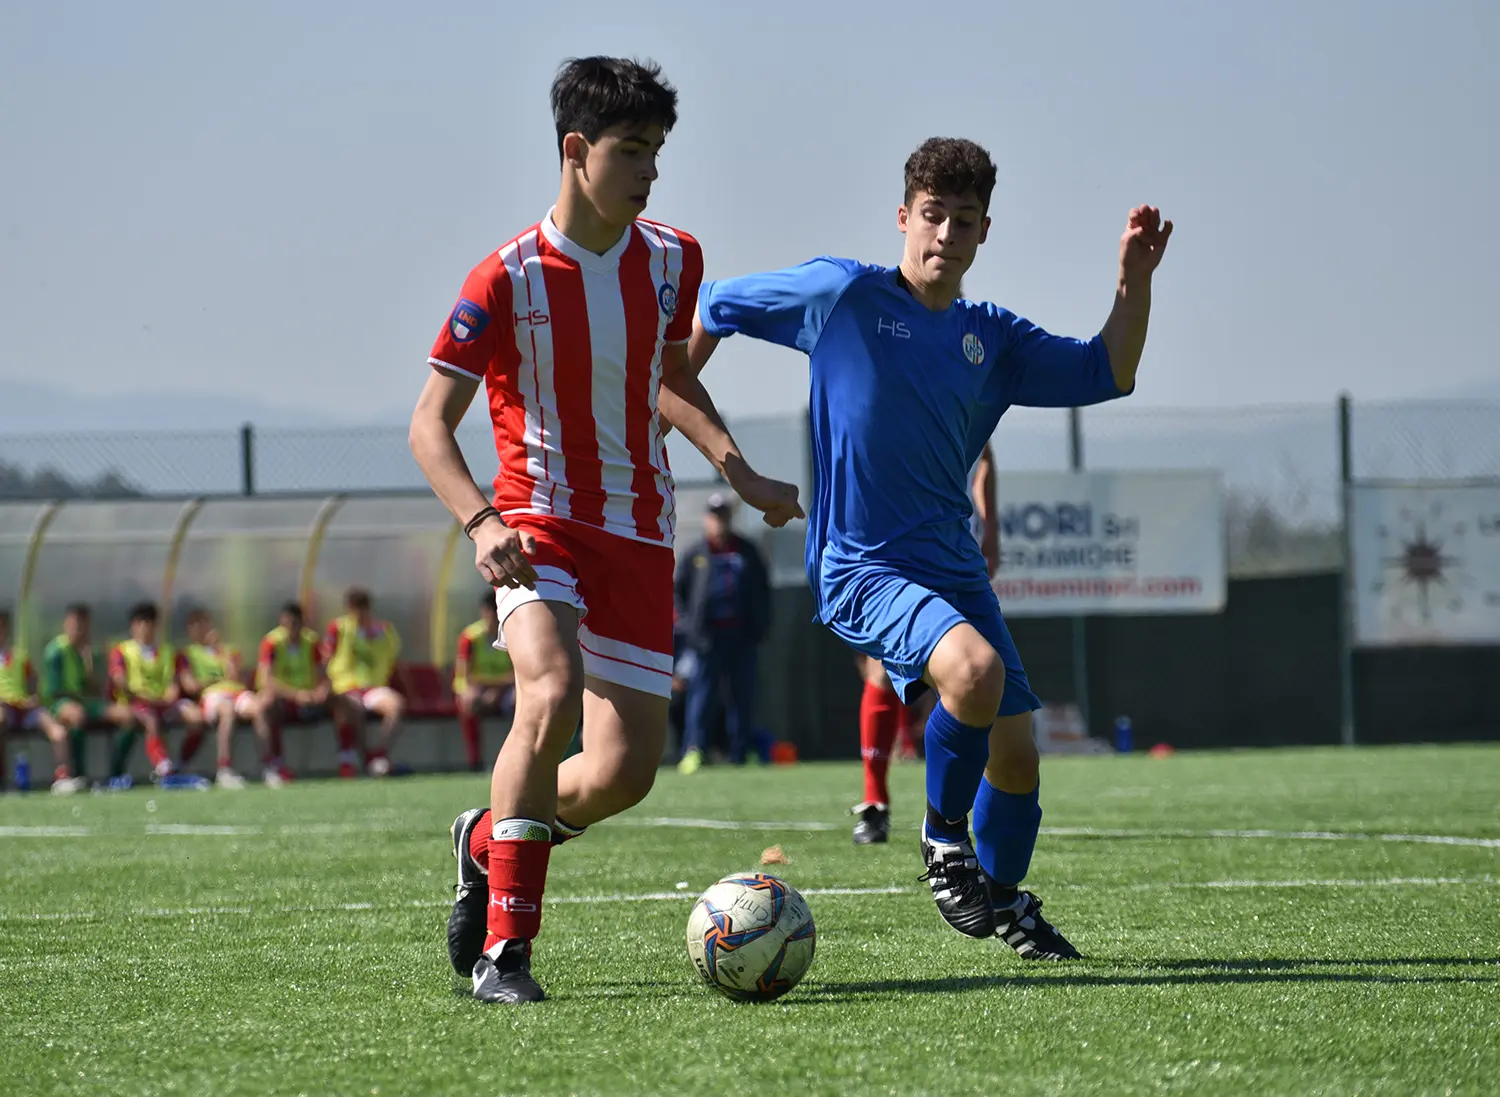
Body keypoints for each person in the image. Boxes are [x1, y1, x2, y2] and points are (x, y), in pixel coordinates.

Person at [690, 136, 1172, 960]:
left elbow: (1108, 370)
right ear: (904, 217)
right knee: (974, 675)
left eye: (966, 220)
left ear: (986, 232)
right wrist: (721, 455)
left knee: (1018, 758)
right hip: (861, 564)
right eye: (933, 215)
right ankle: (943, 838)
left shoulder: (995, 340)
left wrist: (1134, 280)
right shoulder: (841, 294)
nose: (946, 233)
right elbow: (707, 311)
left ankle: (1008, 901)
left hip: (951, 565)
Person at [408, 55, 800, 1005]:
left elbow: (666, 377)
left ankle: (482, 839)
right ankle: (508, 954)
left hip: (638, 533)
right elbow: (430, 425)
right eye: (632, 151)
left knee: (623, 774)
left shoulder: (672, 258)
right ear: (576, 152)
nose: (650, 171)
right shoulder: (503, 278)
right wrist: (478, 519)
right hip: (533, 524)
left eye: (658, 151)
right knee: (546, 694)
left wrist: (733, 464)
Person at [852, 440, 997, 844]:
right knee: (881, 667)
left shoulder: (967, 380)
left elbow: (985, 456)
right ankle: (875, 802)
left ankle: (952, 813)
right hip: (896, 551)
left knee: (971, 676)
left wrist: (992, 528)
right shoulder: (886, 393)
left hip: (956, 555)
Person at [674, 492, 771, 773]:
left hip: (741, 636)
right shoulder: (696, 554)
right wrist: (691, 626)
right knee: (702, 697)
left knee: (743, 696)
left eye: (724, 515)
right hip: (707, 639)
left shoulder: (747, 551)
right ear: (708, 519)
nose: (719, 521)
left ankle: (739, 751)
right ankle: (695, 750)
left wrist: (761, 626)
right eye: (715, 515)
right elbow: (680, 591)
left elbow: (763, 591)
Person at [108, 602, 207, 781]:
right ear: (133, 626)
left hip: (164, 702)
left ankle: (181, 763)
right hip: (136, 703)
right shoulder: (121, 650)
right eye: (140, 623)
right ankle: (163, 766)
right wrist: (141, 696)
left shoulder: (168, 651)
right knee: (150, 719)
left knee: (197, 717)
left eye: (149, 623)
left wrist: (171, 693)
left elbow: (175, 680)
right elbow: (119, 681)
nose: (145, 628)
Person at [178, 608, 274, 789]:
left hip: (237, 693)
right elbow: (190, 685)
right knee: (227, 710)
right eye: (196, 625)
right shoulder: (187, 653)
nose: (202, 629)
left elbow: (237, 677)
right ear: (189, 630)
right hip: (212, 696)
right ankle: (224, 769)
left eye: (204, 623)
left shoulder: (228, 650)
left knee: (259, 709)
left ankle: (267, 767)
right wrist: (215, 679)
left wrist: (220, 652)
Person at [42, 604, 137, 782]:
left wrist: (90, 664)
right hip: (61, 703)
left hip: (87, 702)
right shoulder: (56, 651)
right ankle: (79, 774)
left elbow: (96, 690)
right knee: (77, 715)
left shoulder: (89, 651)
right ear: (66, 625)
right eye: (75, 624)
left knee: (128, 716)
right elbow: (54, 692)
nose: (80, 630)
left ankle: (116, 773)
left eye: (83, 625)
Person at [0, 608, 86, 794]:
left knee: (59, 732)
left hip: (24, 708)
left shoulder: (20, 656)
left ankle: (62, 778)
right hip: (3, 709)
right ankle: (2, 778)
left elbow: (33, 684)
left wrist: (33, 699)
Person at [322, 587, 404, 778]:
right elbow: (325, 658)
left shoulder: (384, 629)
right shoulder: (339, 628)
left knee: (396, 706)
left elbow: (394, 657)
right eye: (355, 608)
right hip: (345, 687)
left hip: (373, 687)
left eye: (363, 608)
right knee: (352, 708)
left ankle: (379, 754)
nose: (359, 613)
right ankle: (352, 758)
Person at [255, 601, 327, 782]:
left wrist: (321, 690)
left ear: (302, 624)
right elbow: (266, 680)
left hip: (309, 698)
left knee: (344, 702)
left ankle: (347, 758)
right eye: (286, 624)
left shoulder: (312, 641)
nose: (290, 629)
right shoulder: (271, 642)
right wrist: (296, 695)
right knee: (266, 705)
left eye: (294, 624)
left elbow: (323, 674)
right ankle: (274, 763)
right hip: (285, 697)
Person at [453, 594, 516, 773]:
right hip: (480, 689)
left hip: (503, 690)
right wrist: (494, 686)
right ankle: (475, 760)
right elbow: (466, 676)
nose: (493, 617)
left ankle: (515, 760)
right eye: (490, 611)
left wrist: (497, 689)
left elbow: (516, 673)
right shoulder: (470, 637)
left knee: (523, 701)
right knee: (469, 701)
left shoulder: (511, 633)